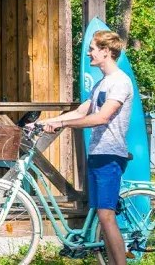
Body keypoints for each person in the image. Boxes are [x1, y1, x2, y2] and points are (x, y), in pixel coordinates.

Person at [29, 30, 133, 265]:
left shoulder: (120, 82)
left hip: (110, 155)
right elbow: (80, 112)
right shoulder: (101, 83)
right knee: (101, 215)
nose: (88, 53)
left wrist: (64, 123)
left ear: (106, 52)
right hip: (97, 153)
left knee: (106, 216)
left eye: (93, 49)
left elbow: (101, 118)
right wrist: (46, 122)